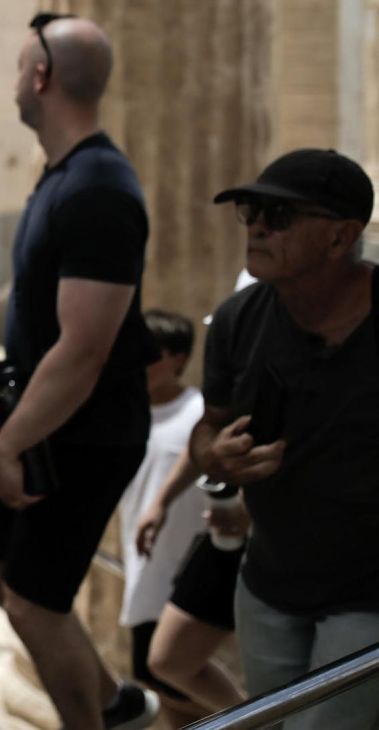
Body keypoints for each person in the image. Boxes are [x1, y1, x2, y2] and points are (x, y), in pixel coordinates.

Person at [0, 14, 161, 730]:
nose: (15, 81)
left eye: (20, 67)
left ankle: (98, 719)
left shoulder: (100, 189)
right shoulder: (65, 175)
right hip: (37, 417)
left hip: (84, 431)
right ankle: (117, 701)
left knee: (34, 602)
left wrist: (12, 444)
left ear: (41, 77)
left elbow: (84, 349)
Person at [193, 148, 379, 729]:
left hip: (368, 594)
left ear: (340, 236)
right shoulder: (235, 321)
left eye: (281, 214)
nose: (258, 226)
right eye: (251, 210)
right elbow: (208, 429)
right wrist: (216, 458)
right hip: (268, 583)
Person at [121, 309, 245, 727]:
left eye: (149, 354)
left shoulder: (197, 415)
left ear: (178, 358)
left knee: (174, 671)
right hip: (144, 567)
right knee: (159, 678)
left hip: (187, 568)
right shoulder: (128, 412)